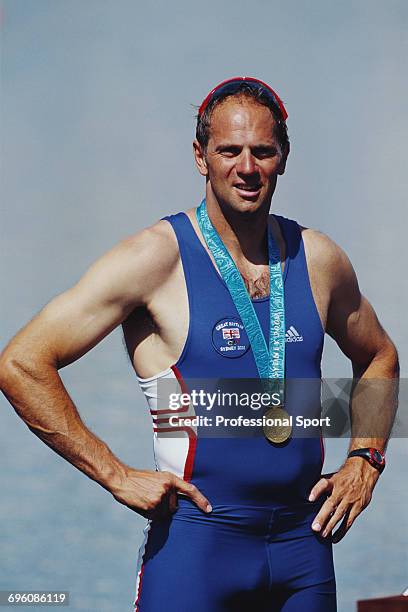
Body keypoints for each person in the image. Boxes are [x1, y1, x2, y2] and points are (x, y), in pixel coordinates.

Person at [0, 77, 399, 612]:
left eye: (263, 151)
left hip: (305, 548)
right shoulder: (154, 260)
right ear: (200, 156)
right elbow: (22, 363)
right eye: (228, 151)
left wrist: (365, 458)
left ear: (284, 156)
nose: (247, 168)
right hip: (198, 544)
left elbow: (379, 355)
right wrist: (116, 475)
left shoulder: (317, 258)